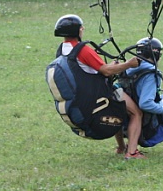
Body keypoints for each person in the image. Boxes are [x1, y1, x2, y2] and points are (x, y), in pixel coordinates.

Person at [54, 14, 146, 160]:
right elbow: (106, 71)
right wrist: (128, 64)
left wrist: (112, 66)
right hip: (98, 96)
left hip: (82, 97)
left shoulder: (62, 51)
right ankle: (132, 152)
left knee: (117, 108)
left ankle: (121, 147)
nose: (83, 29)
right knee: (136, 113)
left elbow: (87, 70)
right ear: (78, 30)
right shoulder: (82, 50)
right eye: (81, 28)